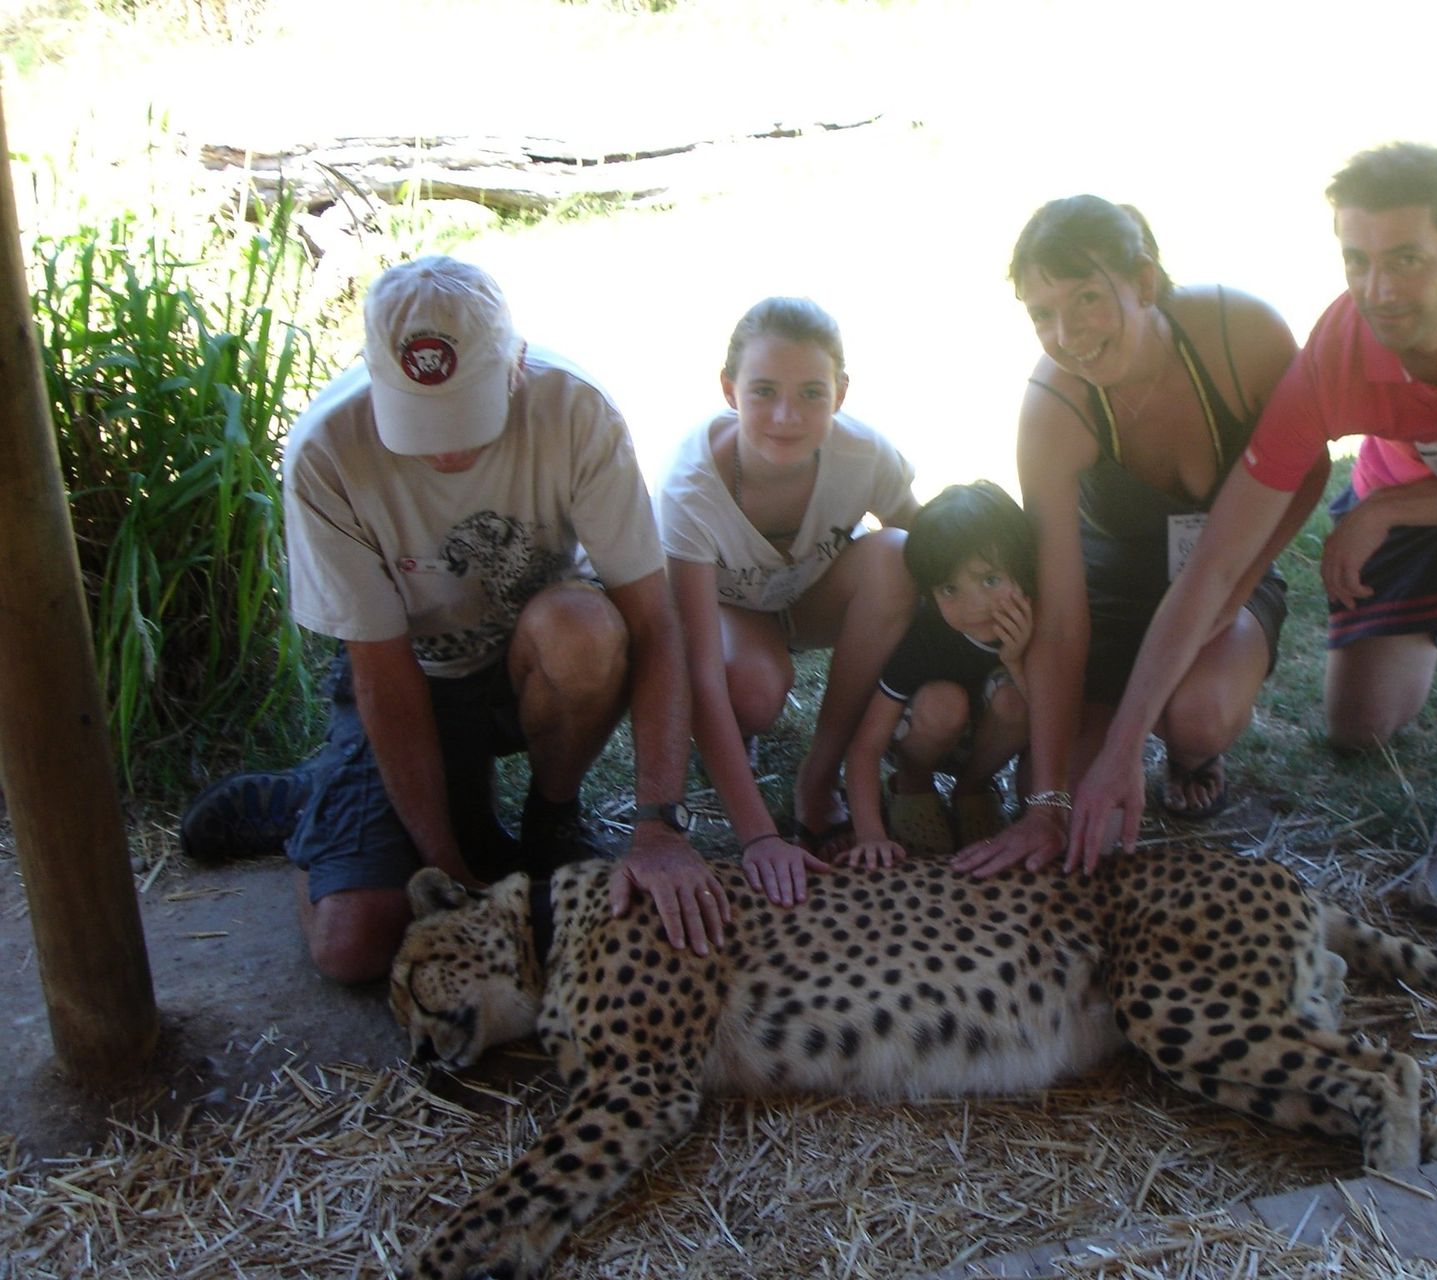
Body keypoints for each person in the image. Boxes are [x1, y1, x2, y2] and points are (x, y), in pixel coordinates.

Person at [1070, 143, 1437, 921]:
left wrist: (1385, 514)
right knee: (1359, 727)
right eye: (1356, 260)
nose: (1378, 289)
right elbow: (1219, 563)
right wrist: (1124, 747)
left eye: (1406, 259)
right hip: (1407, 475)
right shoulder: (1335, 355)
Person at [179, 256, 727, 983]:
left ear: (516, 365)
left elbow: (653, 623)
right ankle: (318, 810)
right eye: (419, 423)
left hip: (534, 659)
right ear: (372, 376)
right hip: (415, 676)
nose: (443, 448)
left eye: (465, 417)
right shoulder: (324, 450)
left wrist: (658, 824)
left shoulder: (577, 410)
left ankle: (550, 820)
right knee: (356, 946)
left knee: (585, 632)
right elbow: (382, 673)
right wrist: (443, 876)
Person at [954, 195, 1328, 878]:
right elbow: (1064, 616)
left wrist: (1240, 582)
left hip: (1233, 568)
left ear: (1146, 283)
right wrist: (1045, 803)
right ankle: (1096, 734)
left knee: (1200, 714)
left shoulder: (1239, 334)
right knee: (1064, 785)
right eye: (1043, 313)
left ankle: (1189, 753)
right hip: (1109, 595)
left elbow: (1311, 467)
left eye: (1088, 297)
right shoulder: (1053, 408)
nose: (1068, 333)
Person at [658, 296, 919, 908]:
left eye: (811, 393)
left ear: (842, 392)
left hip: (816, 593)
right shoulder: (689, 487)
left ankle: (818, 776)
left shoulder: (865, 454)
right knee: (750, 689)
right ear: (728, 389)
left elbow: (937, 560)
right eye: (764, 391)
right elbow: (693, 664)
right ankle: (732, 756)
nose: (785, 415)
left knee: (899, 553)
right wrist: (758, 838)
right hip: (732, 613)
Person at [840, 480, 1035, 868]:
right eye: (949, 588)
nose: (975, 605)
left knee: (1017, 697)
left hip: (988, 744)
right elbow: (864, 748)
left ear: (1024, 568)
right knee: (944, 702)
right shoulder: (927, 638)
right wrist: (870, 834)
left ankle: (973, 789)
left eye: (990, 579)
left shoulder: (1042, 622)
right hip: (921, 736)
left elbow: (1053, 717)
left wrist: (1016, 661)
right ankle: (912, 787)